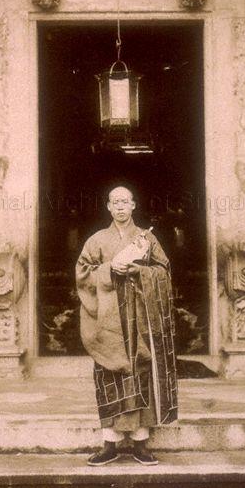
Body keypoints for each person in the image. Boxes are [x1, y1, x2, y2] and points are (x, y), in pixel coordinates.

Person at [76, 185, 178, 466]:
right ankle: (109, 442)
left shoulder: (147, 239)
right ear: (108, 207)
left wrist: (138, 271)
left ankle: (141, 443)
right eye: (115, 202)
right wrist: (109, 269)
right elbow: (82, 274)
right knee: (108, 375)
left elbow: (163, 272)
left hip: (139, 321)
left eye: (125, 202)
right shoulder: (96, 240)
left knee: (140, 372)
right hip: (108, 322)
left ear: (134, 205)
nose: (120, 207)